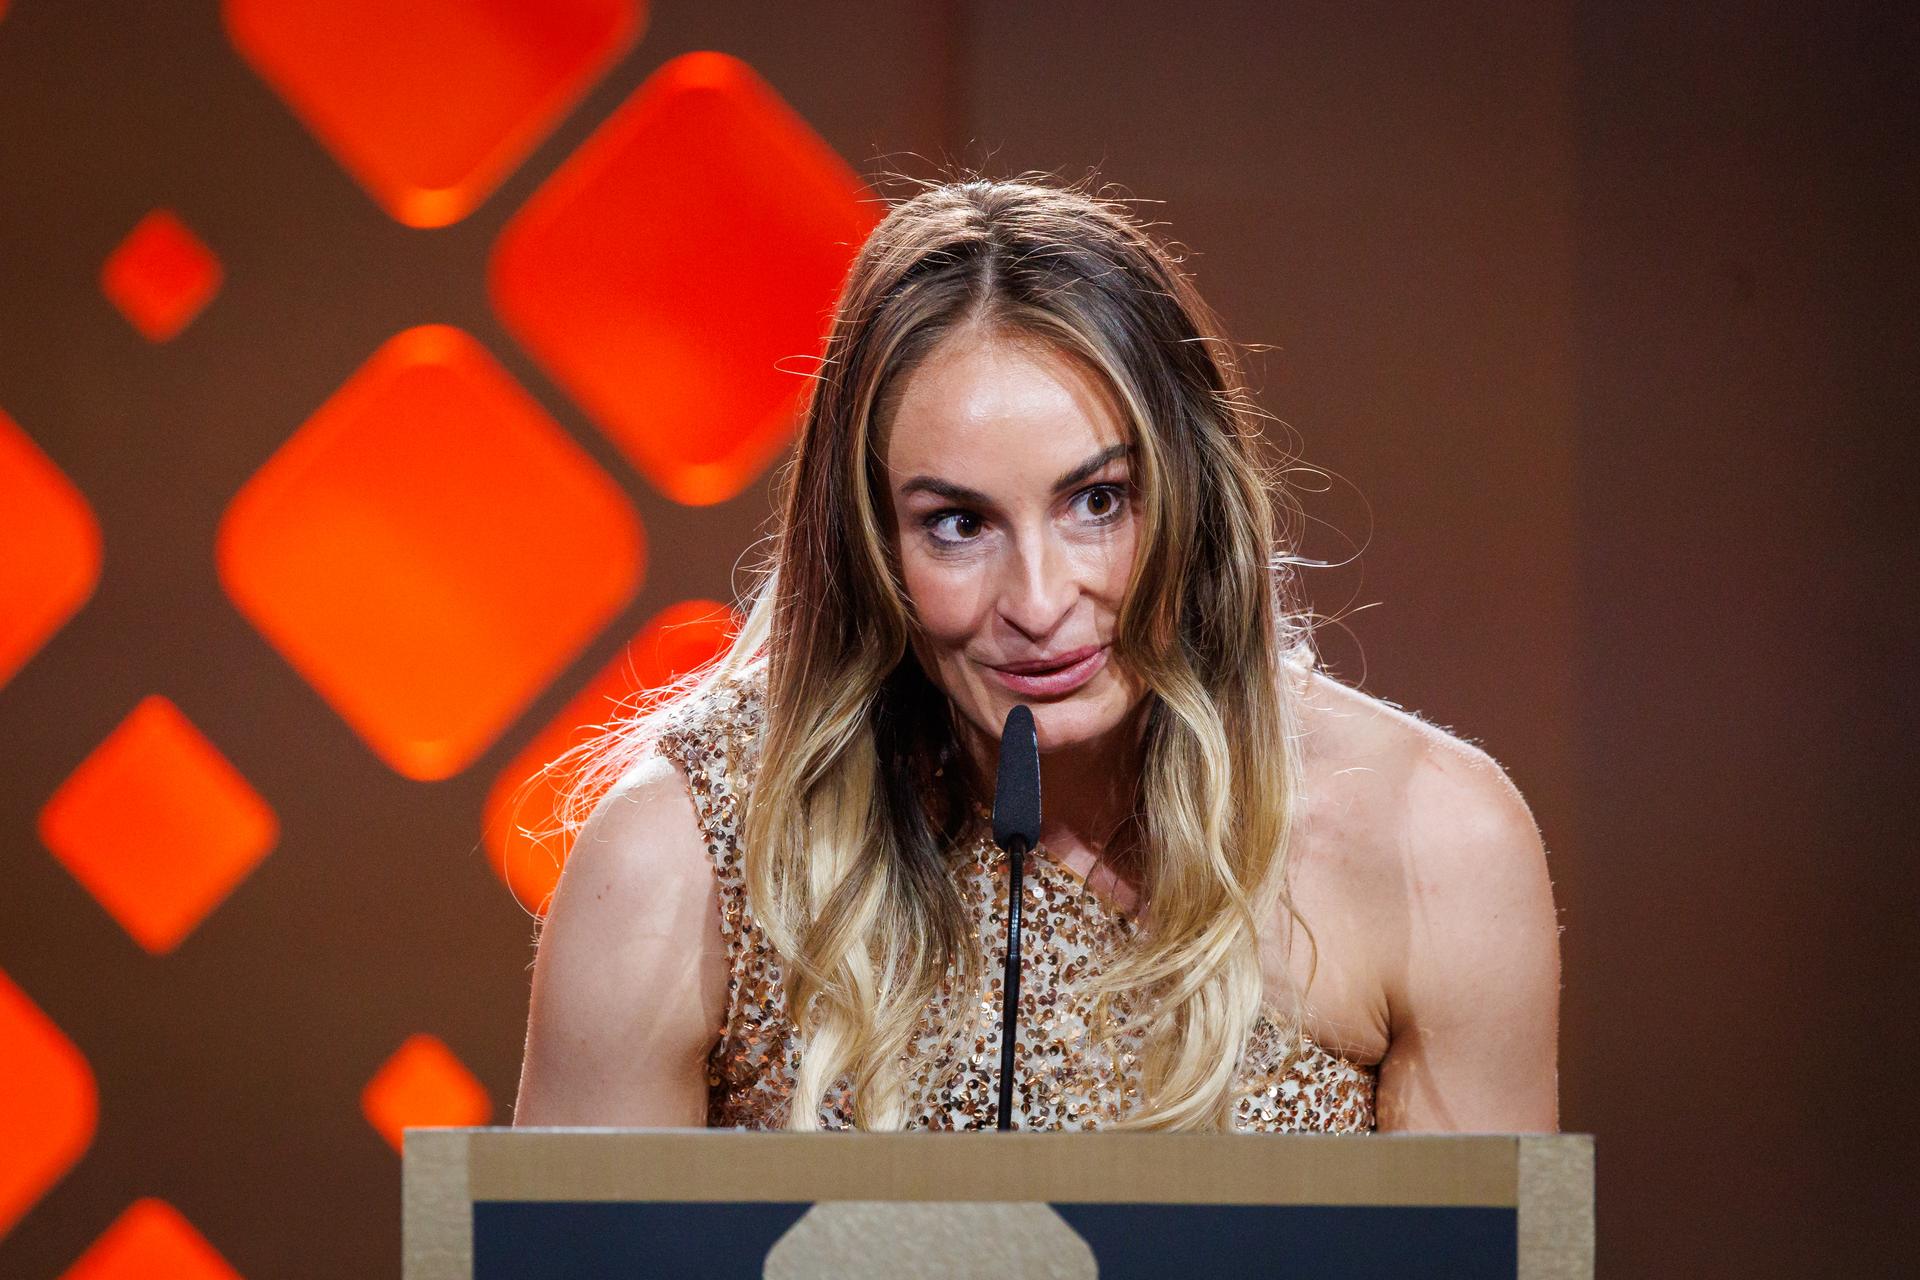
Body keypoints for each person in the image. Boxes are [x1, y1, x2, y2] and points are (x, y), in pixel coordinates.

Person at [511, 176, 1560, 1133]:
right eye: (959, 524)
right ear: (870, 541)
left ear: (1195, 495)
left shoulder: (1436, 845)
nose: (1041, 601)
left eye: (1098, 501)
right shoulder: (678, 864)